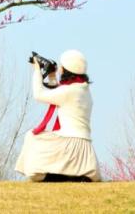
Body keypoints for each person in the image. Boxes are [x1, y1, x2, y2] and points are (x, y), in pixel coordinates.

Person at [14, 49, 101, 182]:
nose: (60, 68)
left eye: (62, 66)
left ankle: (51, 175)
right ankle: (69, 174)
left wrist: (38, 70)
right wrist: (52, 76)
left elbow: (39, 94)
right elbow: (59, 92)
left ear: (67, 69)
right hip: (83, 145)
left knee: (32, 137)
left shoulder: (69, 91)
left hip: (69, 142)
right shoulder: (83, 90)